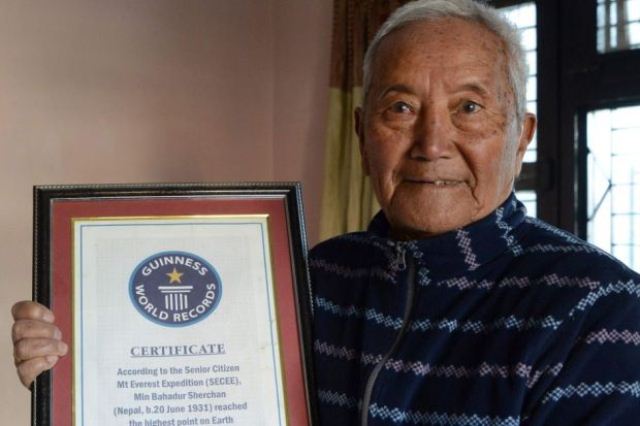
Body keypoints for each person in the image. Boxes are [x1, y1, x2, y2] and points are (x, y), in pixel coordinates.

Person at [11, 0, 640, 424]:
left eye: (469, 108)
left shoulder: (601, 310)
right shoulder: (308, 279)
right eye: (400, 109)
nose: (431, 143)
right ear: (365, 133)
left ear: (522, 134)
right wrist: (81, 373)